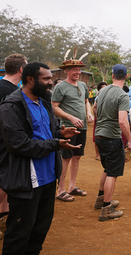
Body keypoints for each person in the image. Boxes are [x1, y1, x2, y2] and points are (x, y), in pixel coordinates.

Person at [0, 62, 81, 255]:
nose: (50, 83)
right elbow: (19, 144)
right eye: (46, 79)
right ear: (30, 79)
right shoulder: (11, 106)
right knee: (19, 233)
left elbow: (44, 132)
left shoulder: (43, 102)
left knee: (39, 230)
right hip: (26, 180)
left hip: (49, 177)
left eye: (51, 78)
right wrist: (56, 143)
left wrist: (60, 132)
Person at [0, 54, 27, 241]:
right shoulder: (3, 90)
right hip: (4, 145)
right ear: (22, 70)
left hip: (10, 143)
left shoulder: (10, 87)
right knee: (4, 182)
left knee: (9, 182)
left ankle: (3, 217)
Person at [93, 64, 131, 221]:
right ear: (126, 76)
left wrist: (102, 121)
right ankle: (106, 208)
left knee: (107, 168)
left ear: (112, 76)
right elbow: (123, 122)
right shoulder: (123, 95)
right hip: (112, 137)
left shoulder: (102, 90)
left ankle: (101, 199)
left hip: (100, 135)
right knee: (112, 172)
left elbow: (95, 108)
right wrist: (130, 141)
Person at [51, 58, 94, 202]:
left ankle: (72, 186)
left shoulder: (82, 85)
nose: (78, 72)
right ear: (66, 71)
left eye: (79, 69)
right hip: (68, 128)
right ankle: (60, 189)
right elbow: (54, 107)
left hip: (83, 127)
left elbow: (86, 101)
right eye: (74, 69)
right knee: (66, 157)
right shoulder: (60, 87)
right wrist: (71, 117)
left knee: (76, 156)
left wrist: (89, 113)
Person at [92, 82, 108, 160]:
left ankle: (103, 153)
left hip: (106, 118)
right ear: (99, 89)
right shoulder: (98, 97)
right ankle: (97, 154)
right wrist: (97, 118)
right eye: (103, 88)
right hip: (99, 119)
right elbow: (94, 108)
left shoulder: (107, 96)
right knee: (97, 135)